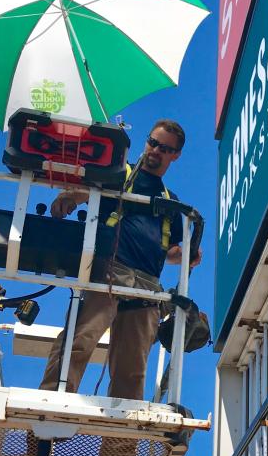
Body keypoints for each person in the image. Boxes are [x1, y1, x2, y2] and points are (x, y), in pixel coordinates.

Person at [38, 119, 193, 402]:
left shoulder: (171, 201)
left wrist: (185, 256)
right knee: (81, 339)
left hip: (148, 284)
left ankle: (120, 446)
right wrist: (70, 198)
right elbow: (88, 191)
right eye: (153, 142)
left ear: (176, 155)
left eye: (164, 148)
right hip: (112, 269)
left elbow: (171, 250)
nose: (155, 150)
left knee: (132, 368)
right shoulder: (119, 174)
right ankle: (49, 403)